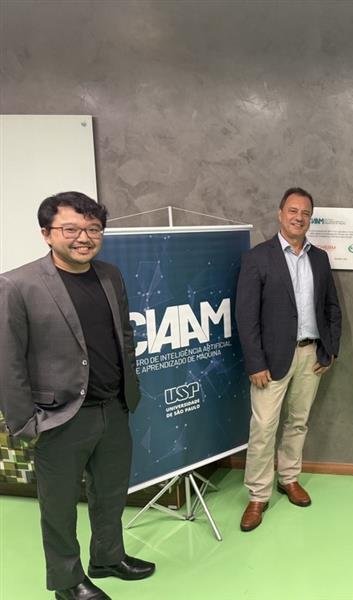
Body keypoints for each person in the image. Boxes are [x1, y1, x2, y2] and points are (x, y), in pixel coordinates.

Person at [0, 192, 155, 600]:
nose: (84, 237)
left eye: (93, 229)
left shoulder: (110, 276)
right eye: (71, 229)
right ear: (46, 233)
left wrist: (130, 388)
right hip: (58, 417)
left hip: (113, 408)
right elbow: (7, 360)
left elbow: (124, 337)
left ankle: (108, 557)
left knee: (111, 493)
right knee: (59, 506)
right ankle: (67, 582)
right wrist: (25, 422)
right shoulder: (17, 285)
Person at [235, 187, 341, 532]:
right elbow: (246, 316)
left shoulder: (319, 258)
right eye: (293, 211)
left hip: (311, 355)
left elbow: (332, 307)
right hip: (271, 361)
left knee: (298, 422)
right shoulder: (257, 258)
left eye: (306, 213)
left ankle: (289, 478)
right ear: (280, 213)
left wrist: (330, 349)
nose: (299, 218)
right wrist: (255, 362)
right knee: (264, 427)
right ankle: (258, 494)